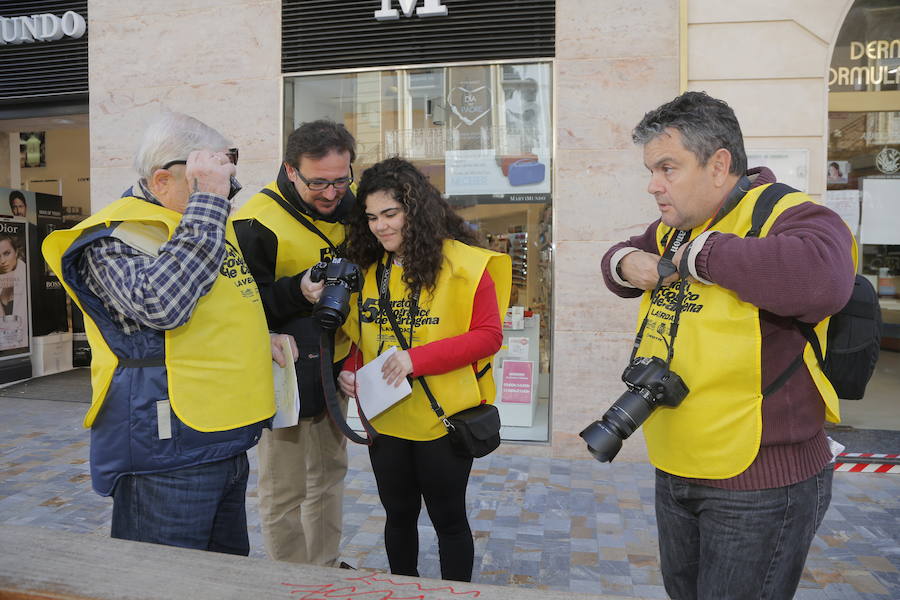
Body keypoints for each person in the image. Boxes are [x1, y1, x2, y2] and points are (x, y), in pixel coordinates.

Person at [600, 91, 856, 599]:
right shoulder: (676, 227)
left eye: (667, 168)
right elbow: (618, 257)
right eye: (651, 170)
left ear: (719, 165)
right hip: (678, 464)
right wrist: (628, 264)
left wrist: (700, 256)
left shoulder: (791, 214)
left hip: (761, 479)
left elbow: (823, 280)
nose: (653, 185)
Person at [42, 112, 297, 555]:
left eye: (225, 176)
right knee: (163, 580)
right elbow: (164, 306)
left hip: (224, 441)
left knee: (221, 580)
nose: (228, 190)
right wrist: (209, 202)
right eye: (209, 176)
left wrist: (262, 336)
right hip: (167, 454)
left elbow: (218, 308)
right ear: (161, 180)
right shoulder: (114, 238)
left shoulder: (196, 222)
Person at [336, 157, 511, 581]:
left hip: (444, 421)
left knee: (449, 521)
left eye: (391, 214)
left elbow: (488, 336)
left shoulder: (467, 266)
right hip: (387, 420)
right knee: (397, 517)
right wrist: (350, 367)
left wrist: (417, 360)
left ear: (416, 209)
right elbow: (364, 334)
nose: (381, 227)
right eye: (372, 217)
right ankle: (403, 589)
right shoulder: (368, 269)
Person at [233, 120, 356, 567]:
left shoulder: (350, 203)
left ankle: (324, 566)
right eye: (318, 182)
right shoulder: (254, 221)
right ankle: (292, 579)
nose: (330, 193)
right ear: (290, 169)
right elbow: (239, 307)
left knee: (329, 475)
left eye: (340, 180)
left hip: (333, 366)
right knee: (284, 488)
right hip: (283, 375)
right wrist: (296, 292)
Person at [0, 234, 28, 349]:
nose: (2, 261)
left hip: (24, 346)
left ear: (16, 252)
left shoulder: (25, 271)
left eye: (7, 253)